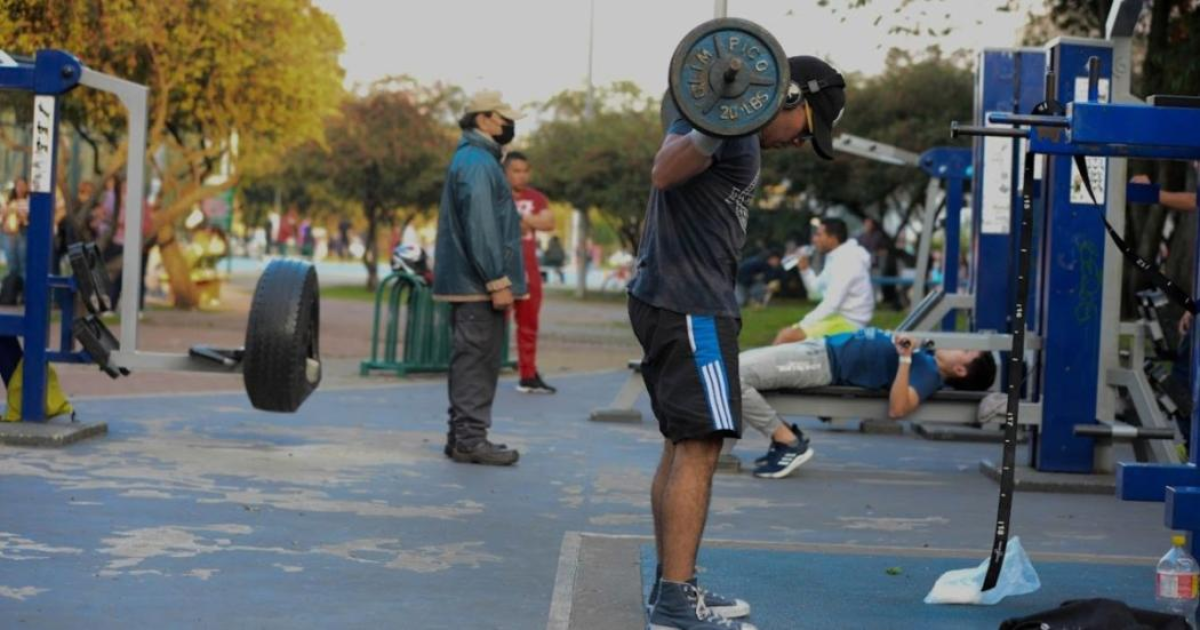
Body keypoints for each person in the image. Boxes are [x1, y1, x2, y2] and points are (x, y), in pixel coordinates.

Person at [631, 56, 847, 630]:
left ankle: (671, 587)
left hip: (677, 299)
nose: (802, 143)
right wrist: (718, 124)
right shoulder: (723, 126)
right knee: (700, 447)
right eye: (806, 128)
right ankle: (677, 601)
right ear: (788, 97)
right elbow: (665, 171)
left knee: (682, 445)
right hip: (689, 304)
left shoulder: (735, 133)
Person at [742, 328, 997, 478]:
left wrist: (906, 358)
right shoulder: (927, 355)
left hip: (822, 363)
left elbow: (898, 408)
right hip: (821, 348)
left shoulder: (929, 374)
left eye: (964, 350)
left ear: (961, 370)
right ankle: (779, 437)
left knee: (733, 375)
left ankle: (787, 441)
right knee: (732, 368)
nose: (956, 344)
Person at [432, 90, 526, 467]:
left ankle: (461, 436)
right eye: (503, 118)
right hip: (477, 286)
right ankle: (470, 440)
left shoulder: (474, 159)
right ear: (484, 119)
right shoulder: (477, 163)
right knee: (476, 361)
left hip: (469, 283)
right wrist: (497, 280)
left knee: (469, 359)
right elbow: (481, 224)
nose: (508, 125)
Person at [772, 218, 873, 346]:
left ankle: (759, 367)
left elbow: (831, 304)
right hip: (837, 318)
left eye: (819, 235)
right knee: (786, 334)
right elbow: (815, 294)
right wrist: (805, 270)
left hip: (850, 323)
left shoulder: (848, 260)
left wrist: (802, 324)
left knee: (787, 336)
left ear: (833, 238)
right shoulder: (835, 257)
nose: (814, 239)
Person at [504, 151, 557, 395]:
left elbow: (548, 222)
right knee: (493, 327)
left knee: (528, 324)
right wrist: (531, 220)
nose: (521, 176)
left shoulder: (536, 197)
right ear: (506, 172)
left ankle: (527, 375)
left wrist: (523, 218)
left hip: (528, 270)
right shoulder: (496, 195)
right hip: (501, 269)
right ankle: (480, 375)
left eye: (525, 170)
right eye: (516, 171)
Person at [3, 176, 30, 282]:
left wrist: (20, 215)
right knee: (12, 264)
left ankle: (23, 290)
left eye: (22, 185)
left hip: (22, 232)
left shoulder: (29, 200)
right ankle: (13, 290)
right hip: (9, 234)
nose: (20, 188)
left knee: (22, 262)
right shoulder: (9, 200)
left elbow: (27, 219)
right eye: (18, 186)